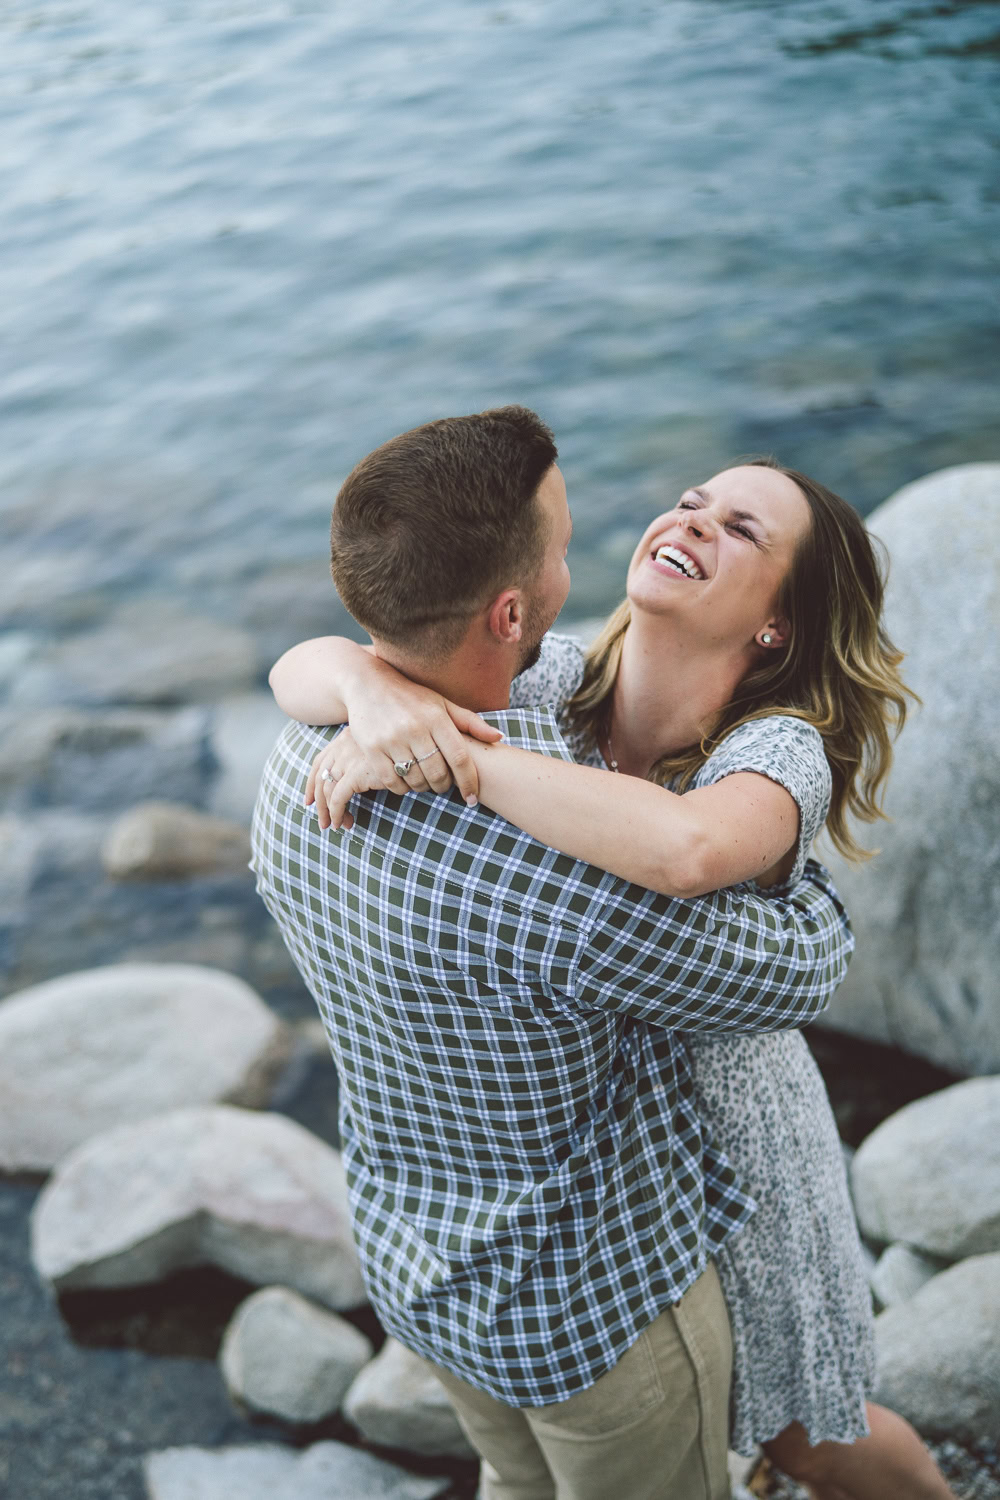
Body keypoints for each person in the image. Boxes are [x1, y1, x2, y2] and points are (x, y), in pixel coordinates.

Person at [275, 437, 956, 1500]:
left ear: (776, 622)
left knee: (798, 1428)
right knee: (703, 1412)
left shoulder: (775, 748)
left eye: (740, 529)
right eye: (691, 501)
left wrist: (464, 756)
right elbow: (296, 666)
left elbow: (684, 852)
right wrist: (370, 689)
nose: (692, 521)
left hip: (735, 1145)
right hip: (611, 1158)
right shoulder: (562, 672)